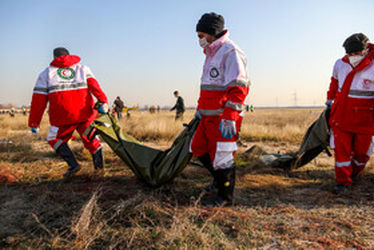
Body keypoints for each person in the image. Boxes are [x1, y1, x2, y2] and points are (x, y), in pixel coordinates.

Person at [190, 12, 250, 206]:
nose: (199, 39)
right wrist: (199, 110)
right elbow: (207, 86)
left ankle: (225, 198)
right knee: (197, 148)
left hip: (224, 118)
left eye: (201, 35)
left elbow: (239, 86)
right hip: (207, 116)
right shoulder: (211, 54)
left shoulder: (231, 52)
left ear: (212, 32)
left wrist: (230, 115)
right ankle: (218, 179)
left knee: (223, 156)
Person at [29, 47, 109, 177]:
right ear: (69, 55)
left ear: (54, 57)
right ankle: (99, 171)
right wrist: (103, 101)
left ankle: (73, 165)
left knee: (53, 138)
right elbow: (95, 87)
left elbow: (38, 101)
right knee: (93, 140)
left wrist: (34, 122)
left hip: (63, 117)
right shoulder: (83, 69)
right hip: (85, 114)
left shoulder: (46, 74)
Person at [326, 33, 374, 193]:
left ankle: (354, 173)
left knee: (362, 152)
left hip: (366, 118)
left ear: (366, 50)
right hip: (341, 116)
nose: (353, 57)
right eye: (350, 53)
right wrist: (329, 100)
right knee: (341, 150)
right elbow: (334, 82)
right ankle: (342, 182)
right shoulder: (340, 64)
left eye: (357, 53)